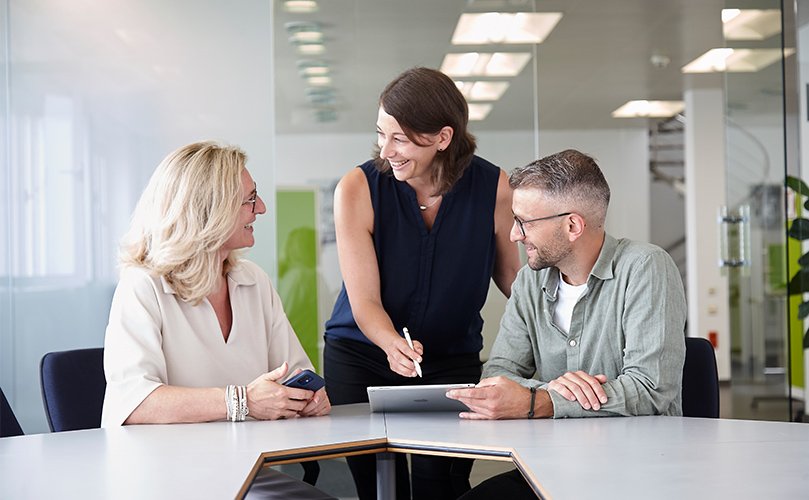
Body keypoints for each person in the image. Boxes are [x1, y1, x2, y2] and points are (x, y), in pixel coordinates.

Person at [323, 67, 521, 500]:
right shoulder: (358, 188)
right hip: (364, 357)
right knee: (380, 490)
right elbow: (365, 299)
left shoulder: (494, 187)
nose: (386, 149)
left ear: (443, 137)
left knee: (443, 486)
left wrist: (561, 325)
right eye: (381, 134)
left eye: (400, 138)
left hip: (451, 361)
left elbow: (512, 277)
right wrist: (391, 342)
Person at [446, 149, 687, 499]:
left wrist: (540, 401)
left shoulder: (645, 268)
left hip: (637, 469)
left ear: (572, 225)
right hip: (550, 465)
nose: (514, 235)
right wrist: (554, 390)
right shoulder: (530, 281)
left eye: (524, 222)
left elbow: (650, 390)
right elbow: (498, 372)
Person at [101, 142, 332, 498]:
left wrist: (308, 399)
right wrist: (243, 401)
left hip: (245, 468)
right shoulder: (143, 286)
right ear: (209, 210)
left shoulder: (253, 281)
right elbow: (134, 403)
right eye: (250, 199)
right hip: (161, 475)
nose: (262, 208)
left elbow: (293, 375)